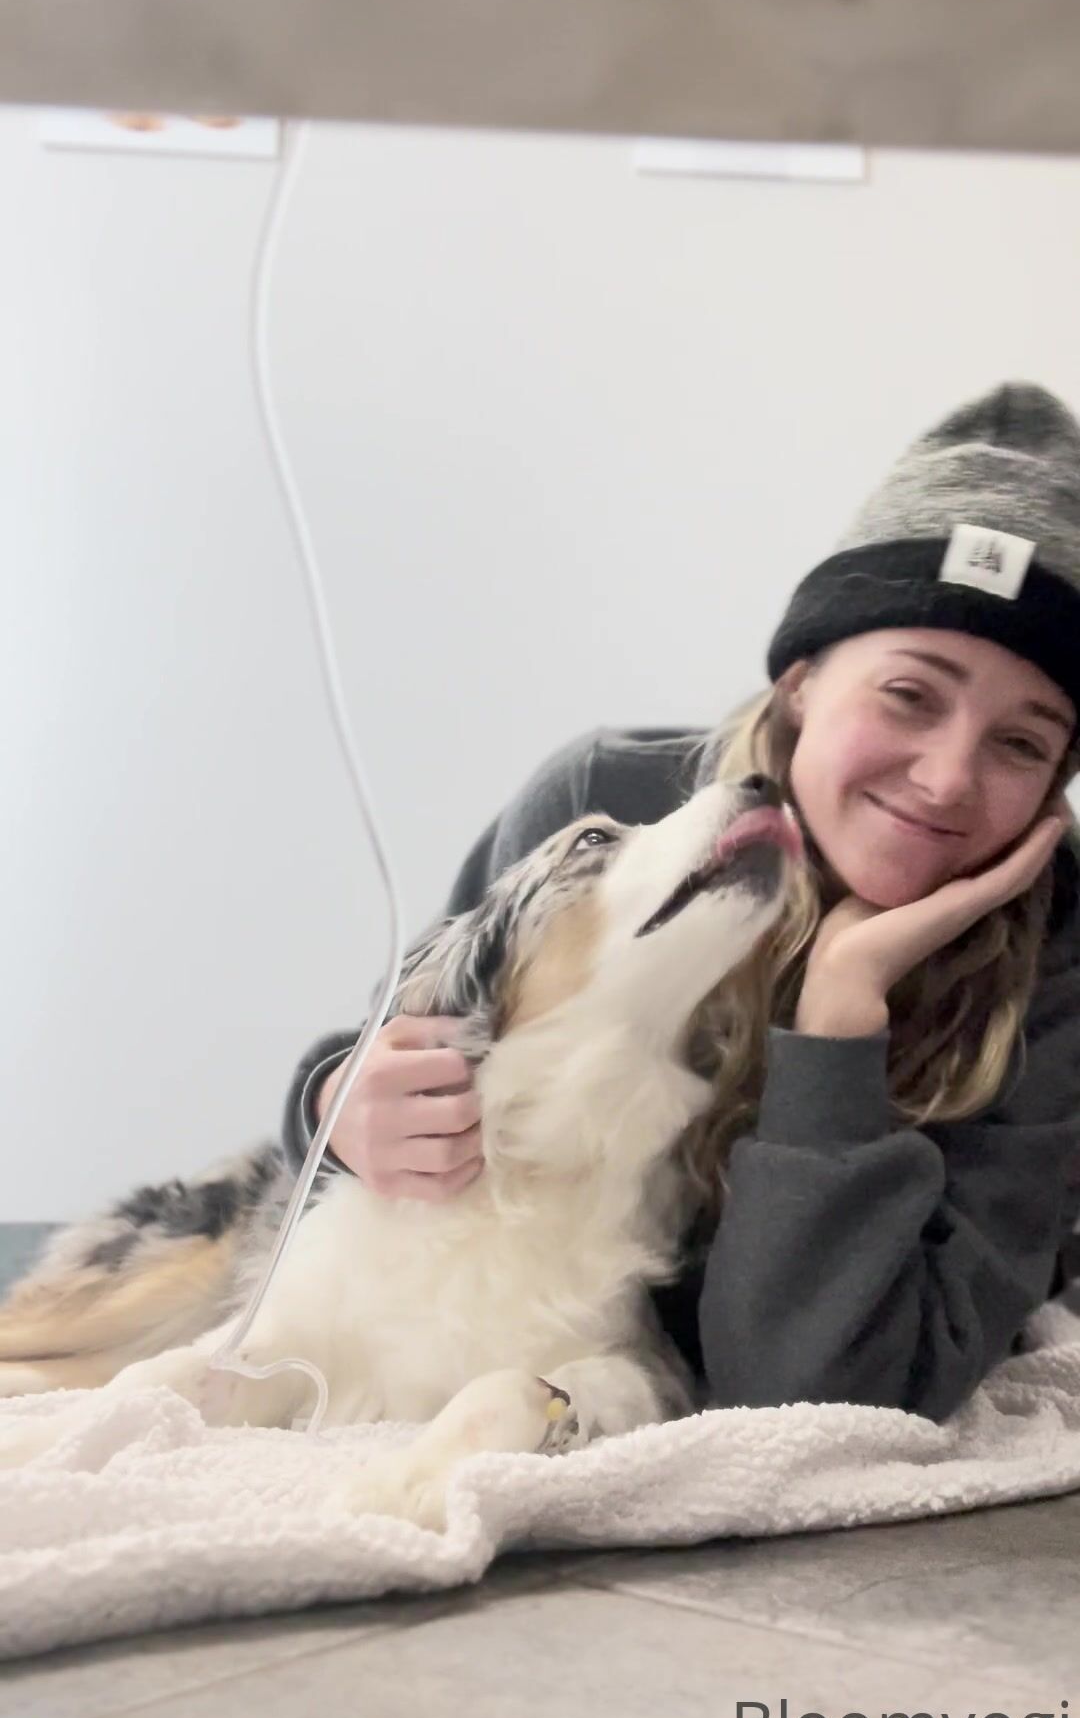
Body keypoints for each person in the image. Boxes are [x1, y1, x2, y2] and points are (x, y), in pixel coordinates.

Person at [281, 382, 1080, 1424]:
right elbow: (406, 1052)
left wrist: (840, 1017)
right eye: (909, 695)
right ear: (802, 682)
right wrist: (337, 1105)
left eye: (1020, 742)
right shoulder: (608, 812)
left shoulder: (1056, 951)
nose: (945, 779)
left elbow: (816, 1398)